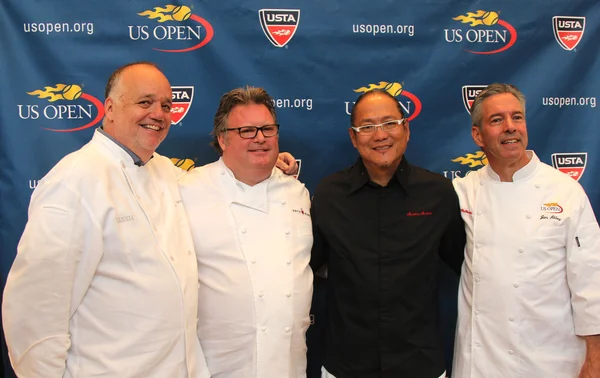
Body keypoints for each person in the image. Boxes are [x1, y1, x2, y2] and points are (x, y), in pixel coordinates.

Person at [2, 62, 211, 377]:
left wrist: (265, 166)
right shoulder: (74, 180)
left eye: (166, 105)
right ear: (110, 108)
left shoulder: (166, 171)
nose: (159, 113)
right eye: (145, 102)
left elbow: (217, 191)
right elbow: (34, 312)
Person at [310, 89, 466, 378]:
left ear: (406, 129)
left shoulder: (438, 194)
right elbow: (305, 269)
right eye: (367, 127)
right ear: (353, 137)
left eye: (389, 123)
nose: (380, 135)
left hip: (420, 364)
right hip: (345, 364)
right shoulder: (329, 195)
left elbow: (468, 266)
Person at [452, 83, 600, 377]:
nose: (510, 127)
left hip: (550, 361)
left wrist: (595, 360)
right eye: (497, 120)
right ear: (477, 135)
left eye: (517, 117)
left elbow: (590, 284)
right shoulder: (463, 192)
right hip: (480, 363)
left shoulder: (565, 192)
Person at [178, 86, 313, 378]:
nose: (260, 138)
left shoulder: (297, 193)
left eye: (267, 129)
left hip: (289, 366)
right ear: (222, 139)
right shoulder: (187, 190)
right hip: (217, 367)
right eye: (247, 131)